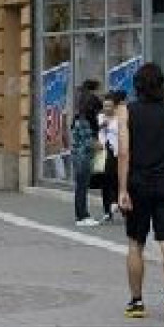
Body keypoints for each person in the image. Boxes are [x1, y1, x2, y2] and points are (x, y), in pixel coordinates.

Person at [117, 63, 164, 322]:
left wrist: (122, 189)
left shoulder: (127, 111)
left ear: (137, 86)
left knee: (136, 242)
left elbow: (124, 152)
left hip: (137, 183)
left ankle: (136, 301)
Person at [72, 79, 103, 227]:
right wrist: (98, 145)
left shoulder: (78, 117)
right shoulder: (85, 120)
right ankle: (82, 216)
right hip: (83, 157)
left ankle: (81, 215)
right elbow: (89, 142)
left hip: (78, 155)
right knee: (82, 187)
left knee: (80, 186)